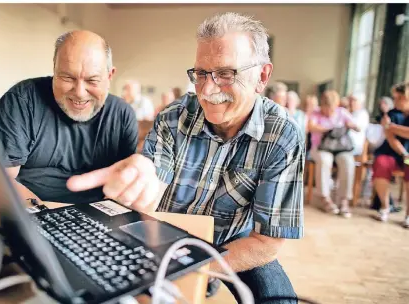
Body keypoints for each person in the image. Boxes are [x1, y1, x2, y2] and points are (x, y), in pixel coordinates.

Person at [68, 12, 305, 303]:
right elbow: (154, 183)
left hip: (235, 240)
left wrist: (200, 268)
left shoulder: (282, 136)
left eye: (226, 74)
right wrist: (143, 179)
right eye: (201, 73)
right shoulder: (173, 118)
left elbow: (267, 242)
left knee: (280, 299)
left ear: (262, 76)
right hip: (167, 235)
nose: (206, 90)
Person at [0, 30, 138, 205]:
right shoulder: (23, 100)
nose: (79, 93)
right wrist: (43, 219)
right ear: (54, 69)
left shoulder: (121, 115)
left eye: (92, 81)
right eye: (67, 78)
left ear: (109, 76)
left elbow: (121, 190)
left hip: (94, 220)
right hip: (27, 211)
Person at [308, 90, 360, 218]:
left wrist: (351, 125)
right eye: (327, 108)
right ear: (322, 105)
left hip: (340, 148)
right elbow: (310, 127)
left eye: (332, 108)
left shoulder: (342, 112)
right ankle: (325, 198)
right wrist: (329, 129)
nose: (329, 112)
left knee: (348, 161)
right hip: (321, 147)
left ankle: (344, 200)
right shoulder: (316, 112)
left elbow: (357, 127)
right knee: (325, 161)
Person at [373, 81, 409, 228]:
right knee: (381, 163)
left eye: (397, 98)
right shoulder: (392, 114)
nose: (394, 102)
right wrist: (404, 153)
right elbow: (390, 137)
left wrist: (393, 127)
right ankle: (385, 207)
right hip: (395, 153)